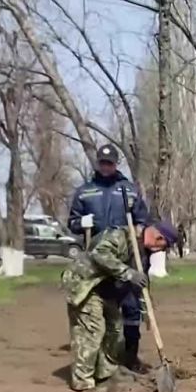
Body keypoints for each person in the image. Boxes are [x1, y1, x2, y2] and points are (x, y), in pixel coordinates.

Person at [60, 221, 178, 392]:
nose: (161, 251)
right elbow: (100, 254)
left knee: (115, 330)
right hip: (85, 284)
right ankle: (83, 382)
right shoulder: (121, 236)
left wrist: (147, 310)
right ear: (158, 238)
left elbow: (142, 284)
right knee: (92, 330)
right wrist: (128, 273)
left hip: (107, 291)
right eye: (163, 246)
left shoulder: (143, 254)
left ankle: (106, 374)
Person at [66, 144, 150, 371]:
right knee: (104, 310)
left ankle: (131, 357)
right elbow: (72, 223)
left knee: (131, 308)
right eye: (102, 163)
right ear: (97, 164)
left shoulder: (129, 190)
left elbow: (143, 220)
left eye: (109, 163)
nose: (105, 167)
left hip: (125, 257)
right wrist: (81, 223)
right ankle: (107, 360)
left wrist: (140, 247)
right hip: (97, 262)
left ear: (116, 164)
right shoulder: (85, 191)